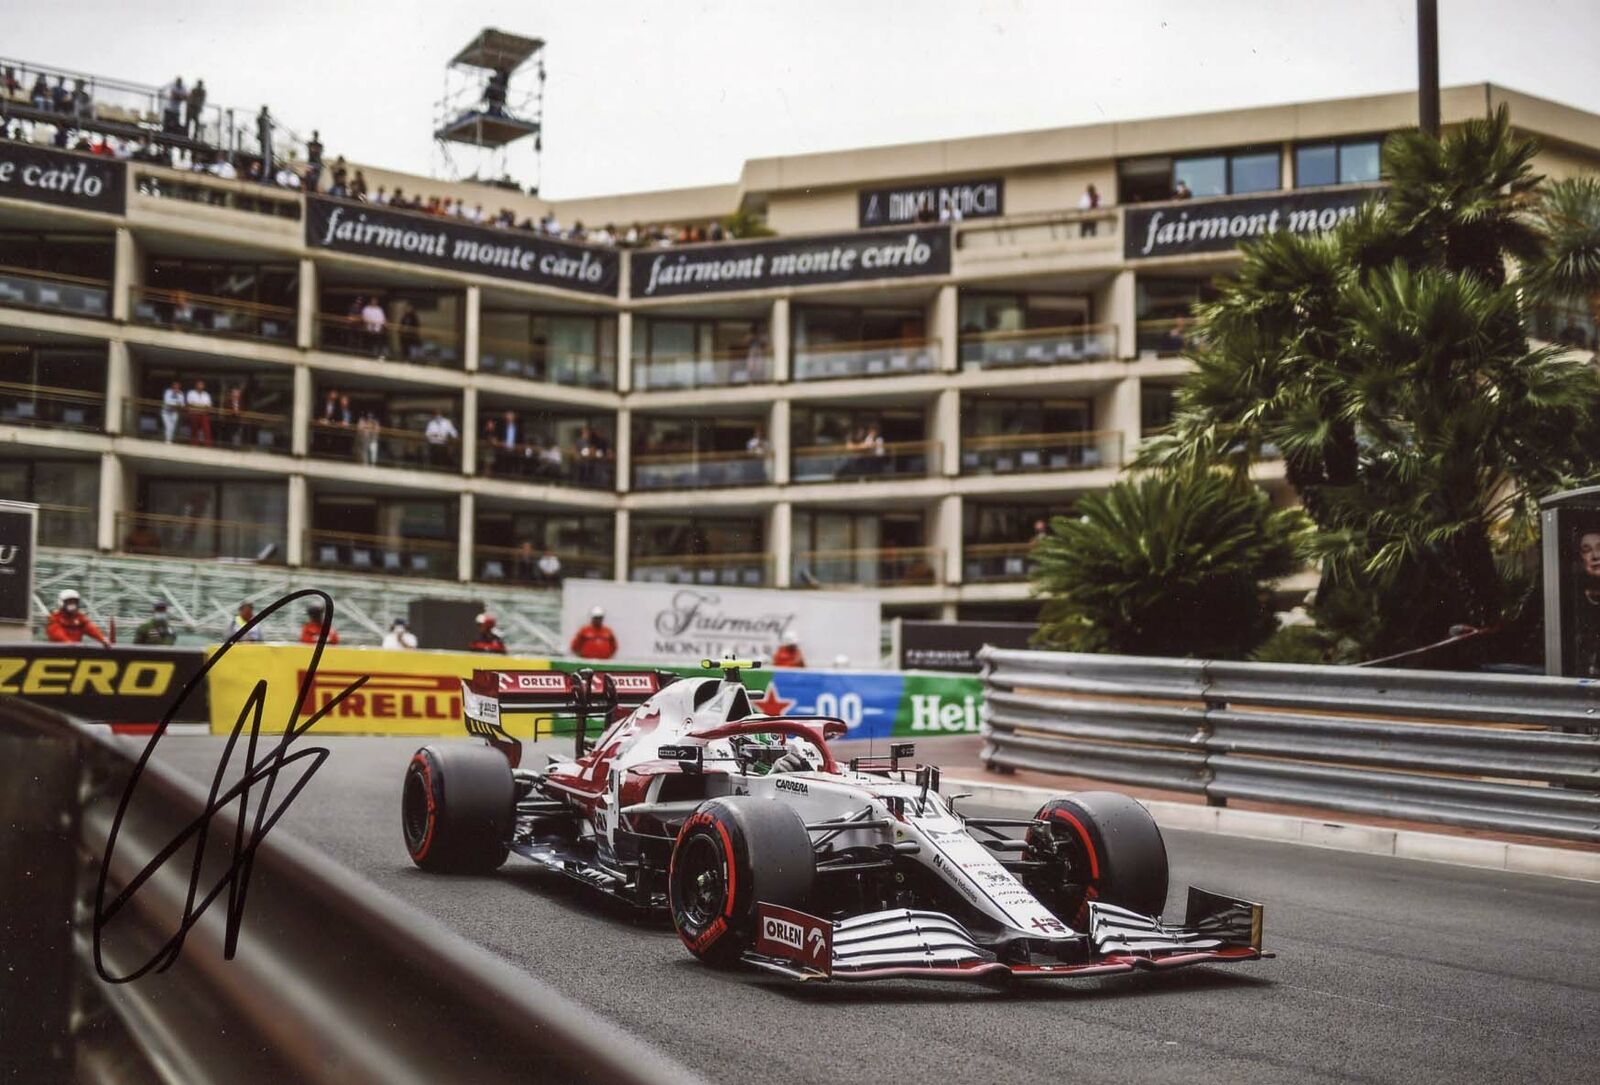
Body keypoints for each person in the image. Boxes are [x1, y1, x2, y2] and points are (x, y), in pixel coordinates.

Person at [185, 379, 213, 446]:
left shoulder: (206, 394)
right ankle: (194, 444)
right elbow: (189, 404)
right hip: (194, 414)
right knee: (194, 430)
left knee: (207, 429)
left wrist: (203, 409)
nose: (200, 386)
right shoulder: (191, 393)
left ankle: (207, 444)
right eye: (199, 384)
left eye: (202, 385)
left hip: (203, 414)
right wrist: (198, 408)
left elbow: (209, 406)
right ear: (196, 385)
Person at [256, 106, 274, 179]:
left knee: (269, 150)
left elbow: (271, 126)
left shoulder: (265, 118)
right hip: (263, 136)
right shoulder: (261, 118)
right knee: (264, 149)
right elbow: (263, 124)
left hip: (267, 137)